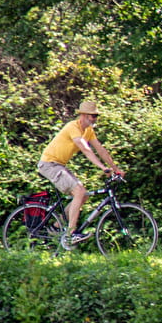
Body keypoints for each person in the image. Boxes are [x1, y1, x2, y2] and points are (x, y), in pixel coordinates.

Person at [37, 100, 124, 248]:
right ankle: (71, 234)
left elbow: (100, 149)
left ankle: (56, 227)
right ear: (83, 115)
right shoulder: (73, 127)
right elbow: (85, 149)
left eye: (96, 116)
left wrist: (115, 168)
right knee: (79, 191)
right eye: (92, 116)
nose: (95, 119)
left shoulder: (88, 130)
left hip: (59, 165)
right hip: (49, 164)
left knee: (83, 195)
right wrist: (102, 168)